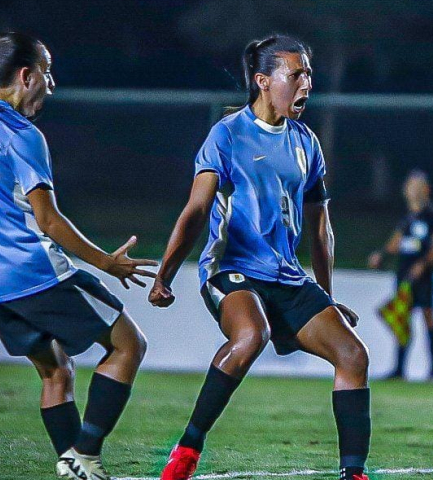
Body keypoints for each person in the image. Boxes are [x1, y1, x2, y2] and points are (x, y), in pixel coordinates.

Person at [0, 33, 155, 480]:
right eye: (47, 72)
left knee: (55, 373)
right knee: (128, 344)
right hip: (38, 276)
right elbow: (49, 220)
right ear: (26, 76)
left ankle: (77, 470)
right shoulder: (22, 135)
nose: (52, 84)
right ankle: (84, 455)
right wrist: (107, 262)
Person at [149, 35, 371, 480]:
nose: (307, 82)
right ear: (263, 81)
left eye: (309, 72)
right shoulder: (227, 135)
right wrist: (165, 275)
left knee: (353, 355)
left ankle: (353, 473)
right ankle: (188, 451)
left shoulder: (306, 142)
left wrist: (326, 298)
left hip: (285, 276)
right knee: (252, 335)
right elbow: (195, 212)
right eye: (297, 73)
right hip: (230, 270)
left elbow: (320, 228)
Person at [368, 170, 433, 379]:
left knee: (428, 318)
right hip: (404, 275)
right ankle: (399, 369)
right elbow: (396, 242)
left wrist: (423, 264)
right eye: (409, 186)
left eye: (416, 186)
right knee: (403, 320)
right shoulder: (407, 218)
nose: (412, 191)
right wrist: (382, 255)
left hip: (423, 276)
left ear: (426, 189)